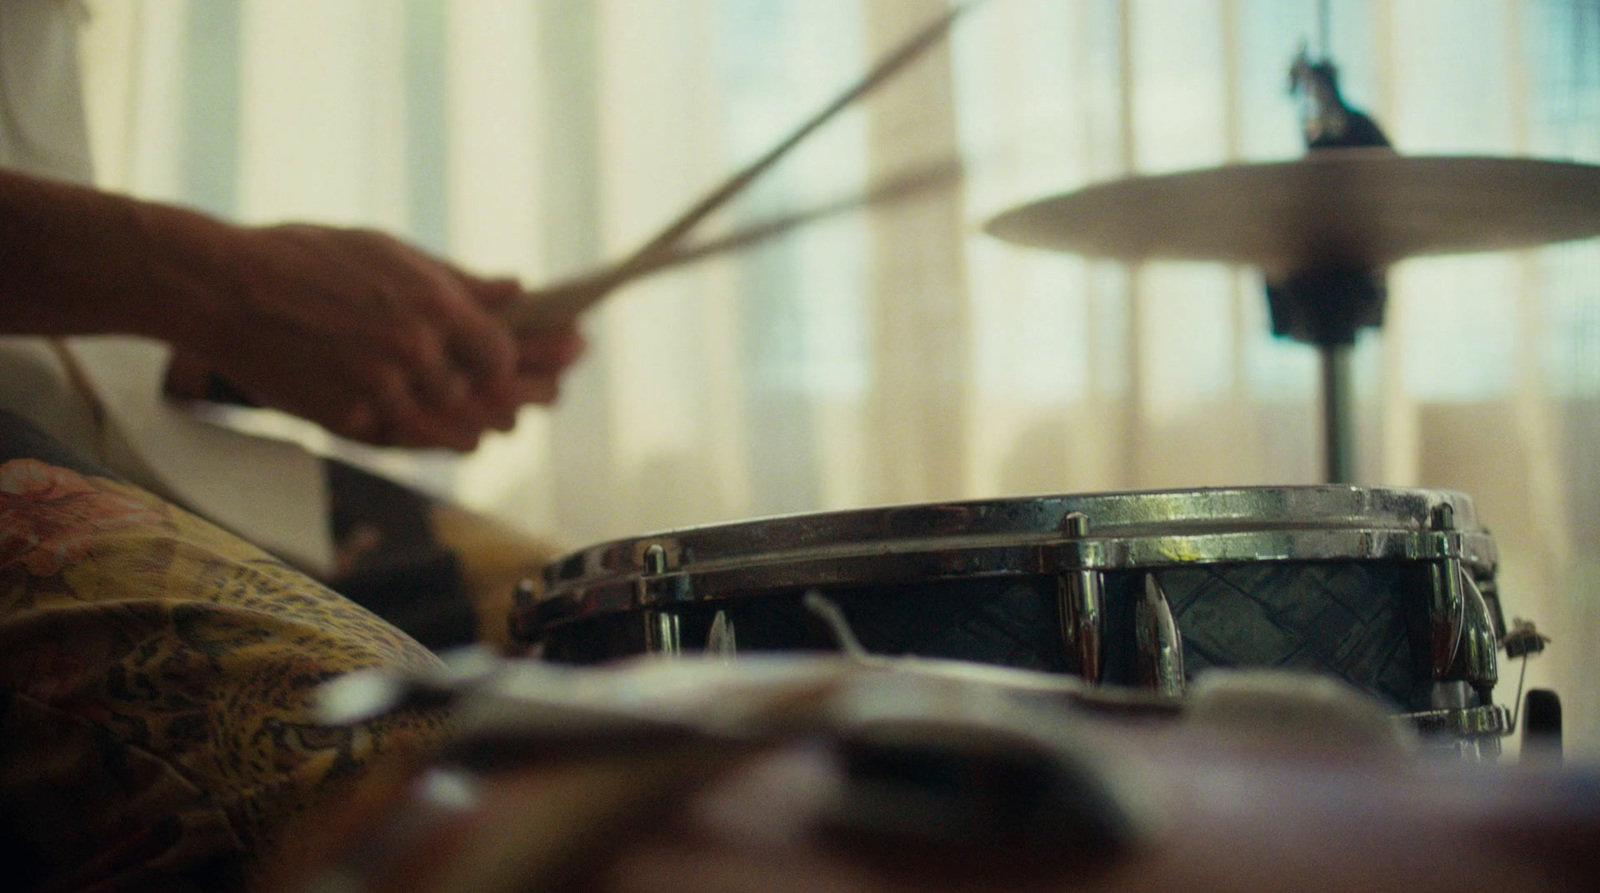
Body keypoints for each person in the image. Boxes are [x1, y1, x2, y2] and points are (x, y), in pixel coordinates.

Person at [0, 2, 583, 890]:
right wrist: (214, 280)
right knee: (413, 774)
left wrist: (274, 350)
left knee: (625, 651)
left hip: (97, 430)